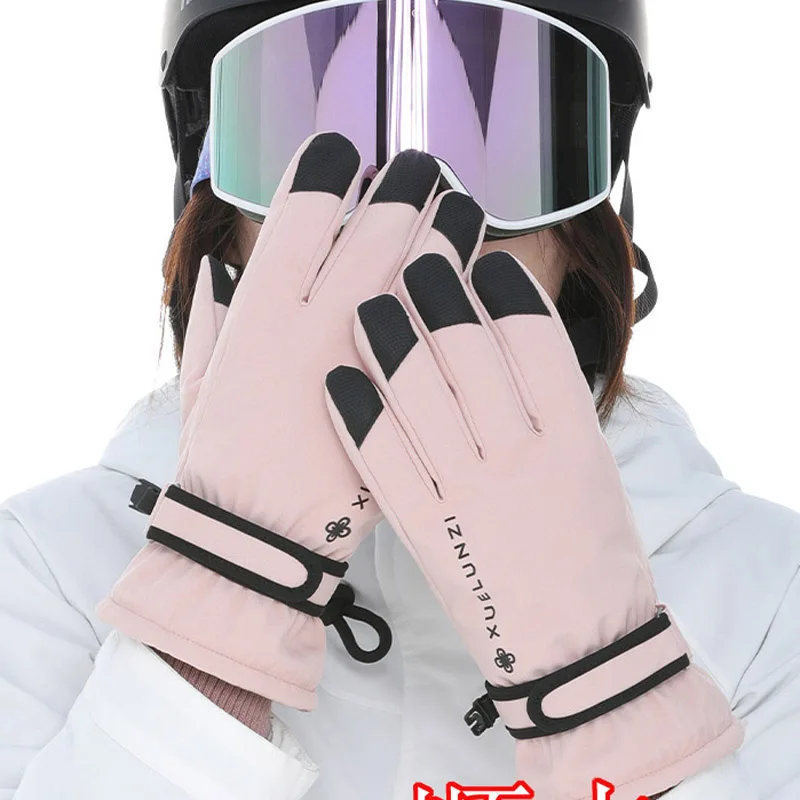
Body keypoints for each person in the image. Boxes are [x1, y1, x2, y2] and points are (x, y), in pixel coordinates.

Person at [1, 1, 798, 799]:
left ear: (585, 227)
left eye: (495, 143)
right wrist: (223, 586)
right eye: (325, 143)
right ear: (216, 204)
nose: (414, 222)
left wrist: (607, 685)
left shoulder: (770, 594)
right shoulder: (49, 567)